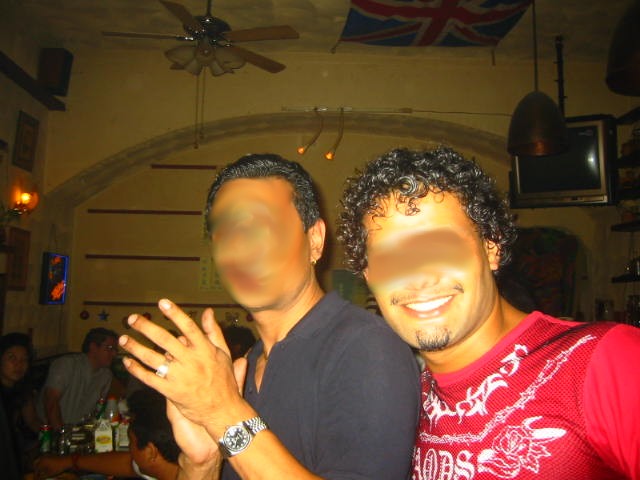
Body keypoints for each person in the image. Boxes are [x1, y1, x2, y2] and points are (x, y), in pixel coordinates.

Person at [337, 147, 640, 479]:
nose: (419, 278)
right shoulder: (401, 402)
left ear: (491, 247)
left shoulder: (605, 361)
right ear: (369, 276)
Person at [118, 153, 420, 480]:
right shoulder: (243, 365)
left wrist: (223, 413)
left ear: (315, 241)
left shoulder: (368, 348)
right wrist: (202, 462)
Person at [34, 386, 180, 480]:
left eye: (131, 442)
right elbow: (129, 464)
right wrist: (68, 461)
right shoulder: (167, 463)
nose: (130, 449)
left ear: (150, 452)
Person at [38, 327, 119, 429]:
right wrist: (61, 434)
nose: (114, 354)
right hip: (49, 432)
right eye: (110, 348)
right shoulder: (66, 364)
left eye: (115, 350)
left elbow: (100, 409)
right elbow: (51, 402)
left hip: (80, 432)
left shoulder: (106, 375)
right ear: (93, 347)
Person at [0, 332, 41, 475]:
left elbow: (33, 421)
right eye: (12, 358)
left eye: (24, 359)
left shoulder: (23, 389)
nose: (19, 365)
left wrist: (51, 437)